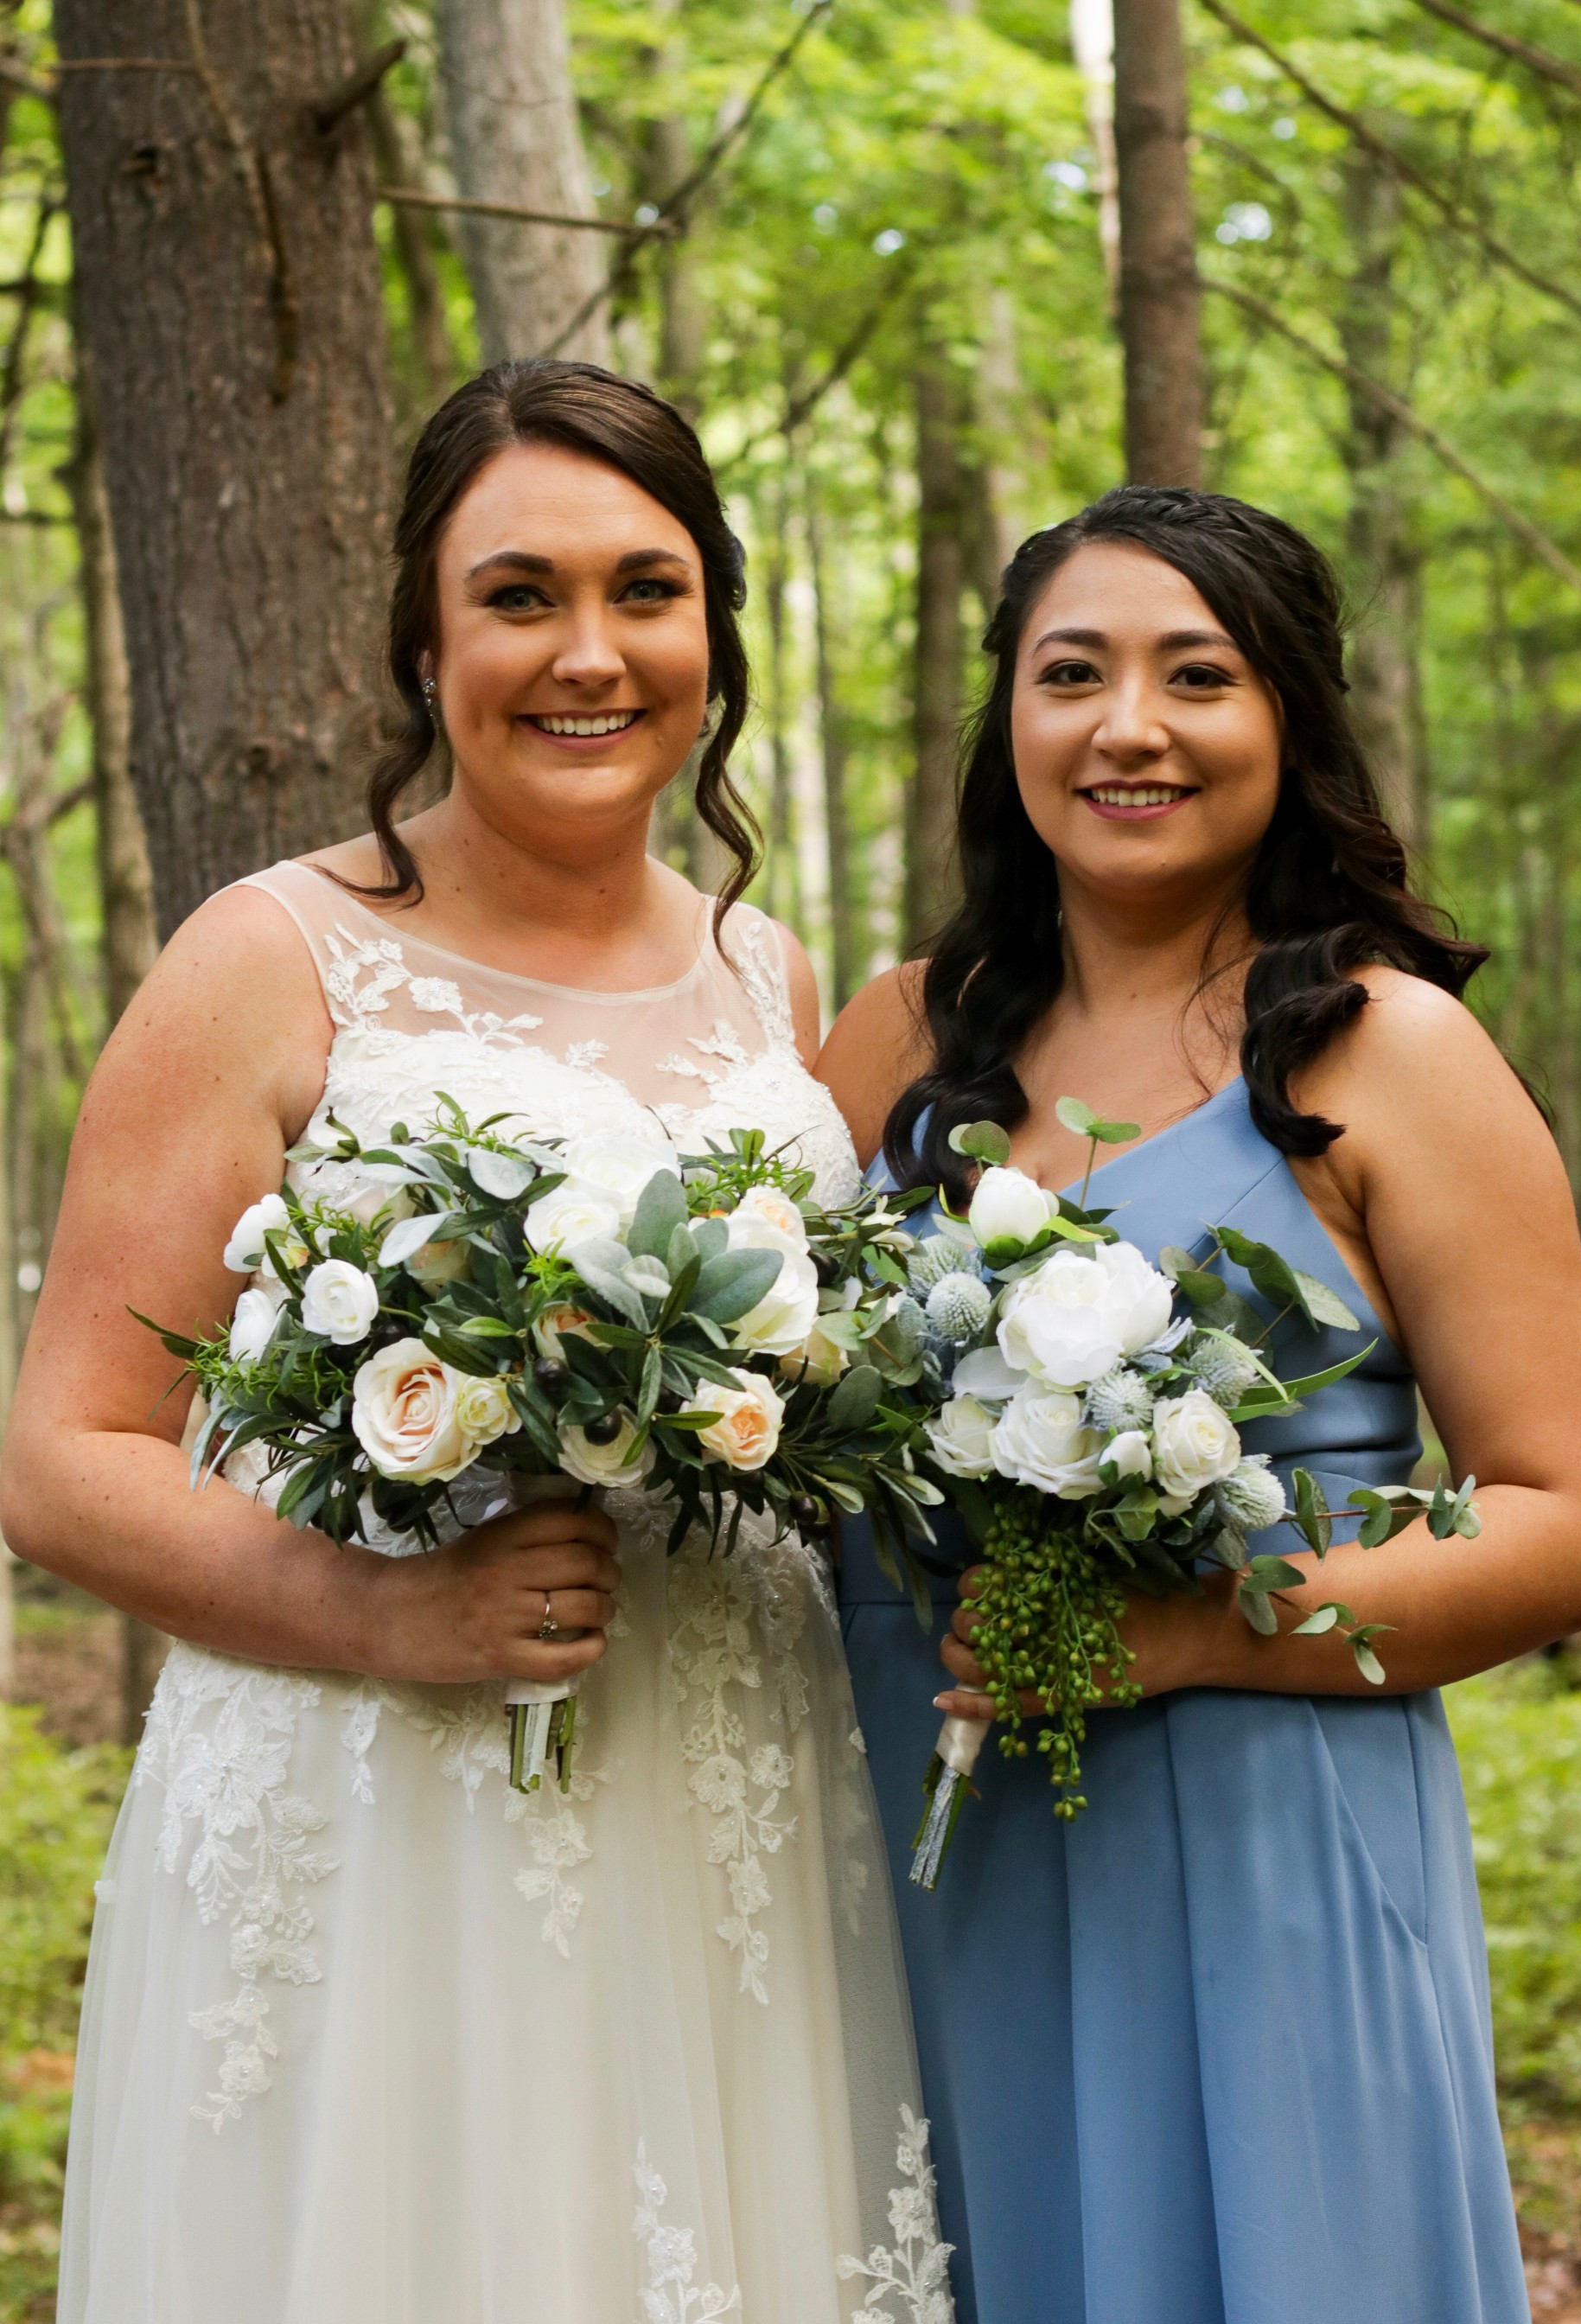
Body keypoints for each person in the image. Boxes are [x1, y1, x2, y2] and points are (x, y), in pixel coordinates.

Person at [3, 360, 949, 2323]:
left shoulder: (762, 974)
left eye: (646, 590)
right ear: (426, 648)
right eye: (520, 596)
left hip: (722, 1796)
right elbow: (67, 1457)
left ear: (713, 633)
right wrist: (387, 1614)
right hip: (387, 1814)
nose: (589, 653)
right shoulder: (266, 958)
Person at [819, 484, 1581, 2324]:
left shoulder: (1391, 1053)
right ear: (1009, 720)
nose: (1130, 728)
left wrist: (1192, 1633)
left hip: (1262, 1854)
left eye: (1198, 676)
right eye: (1072, 675)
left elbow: (1573, 1531)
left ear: (1289, 718)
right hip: (927, 1844)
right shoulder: (897, 1039)